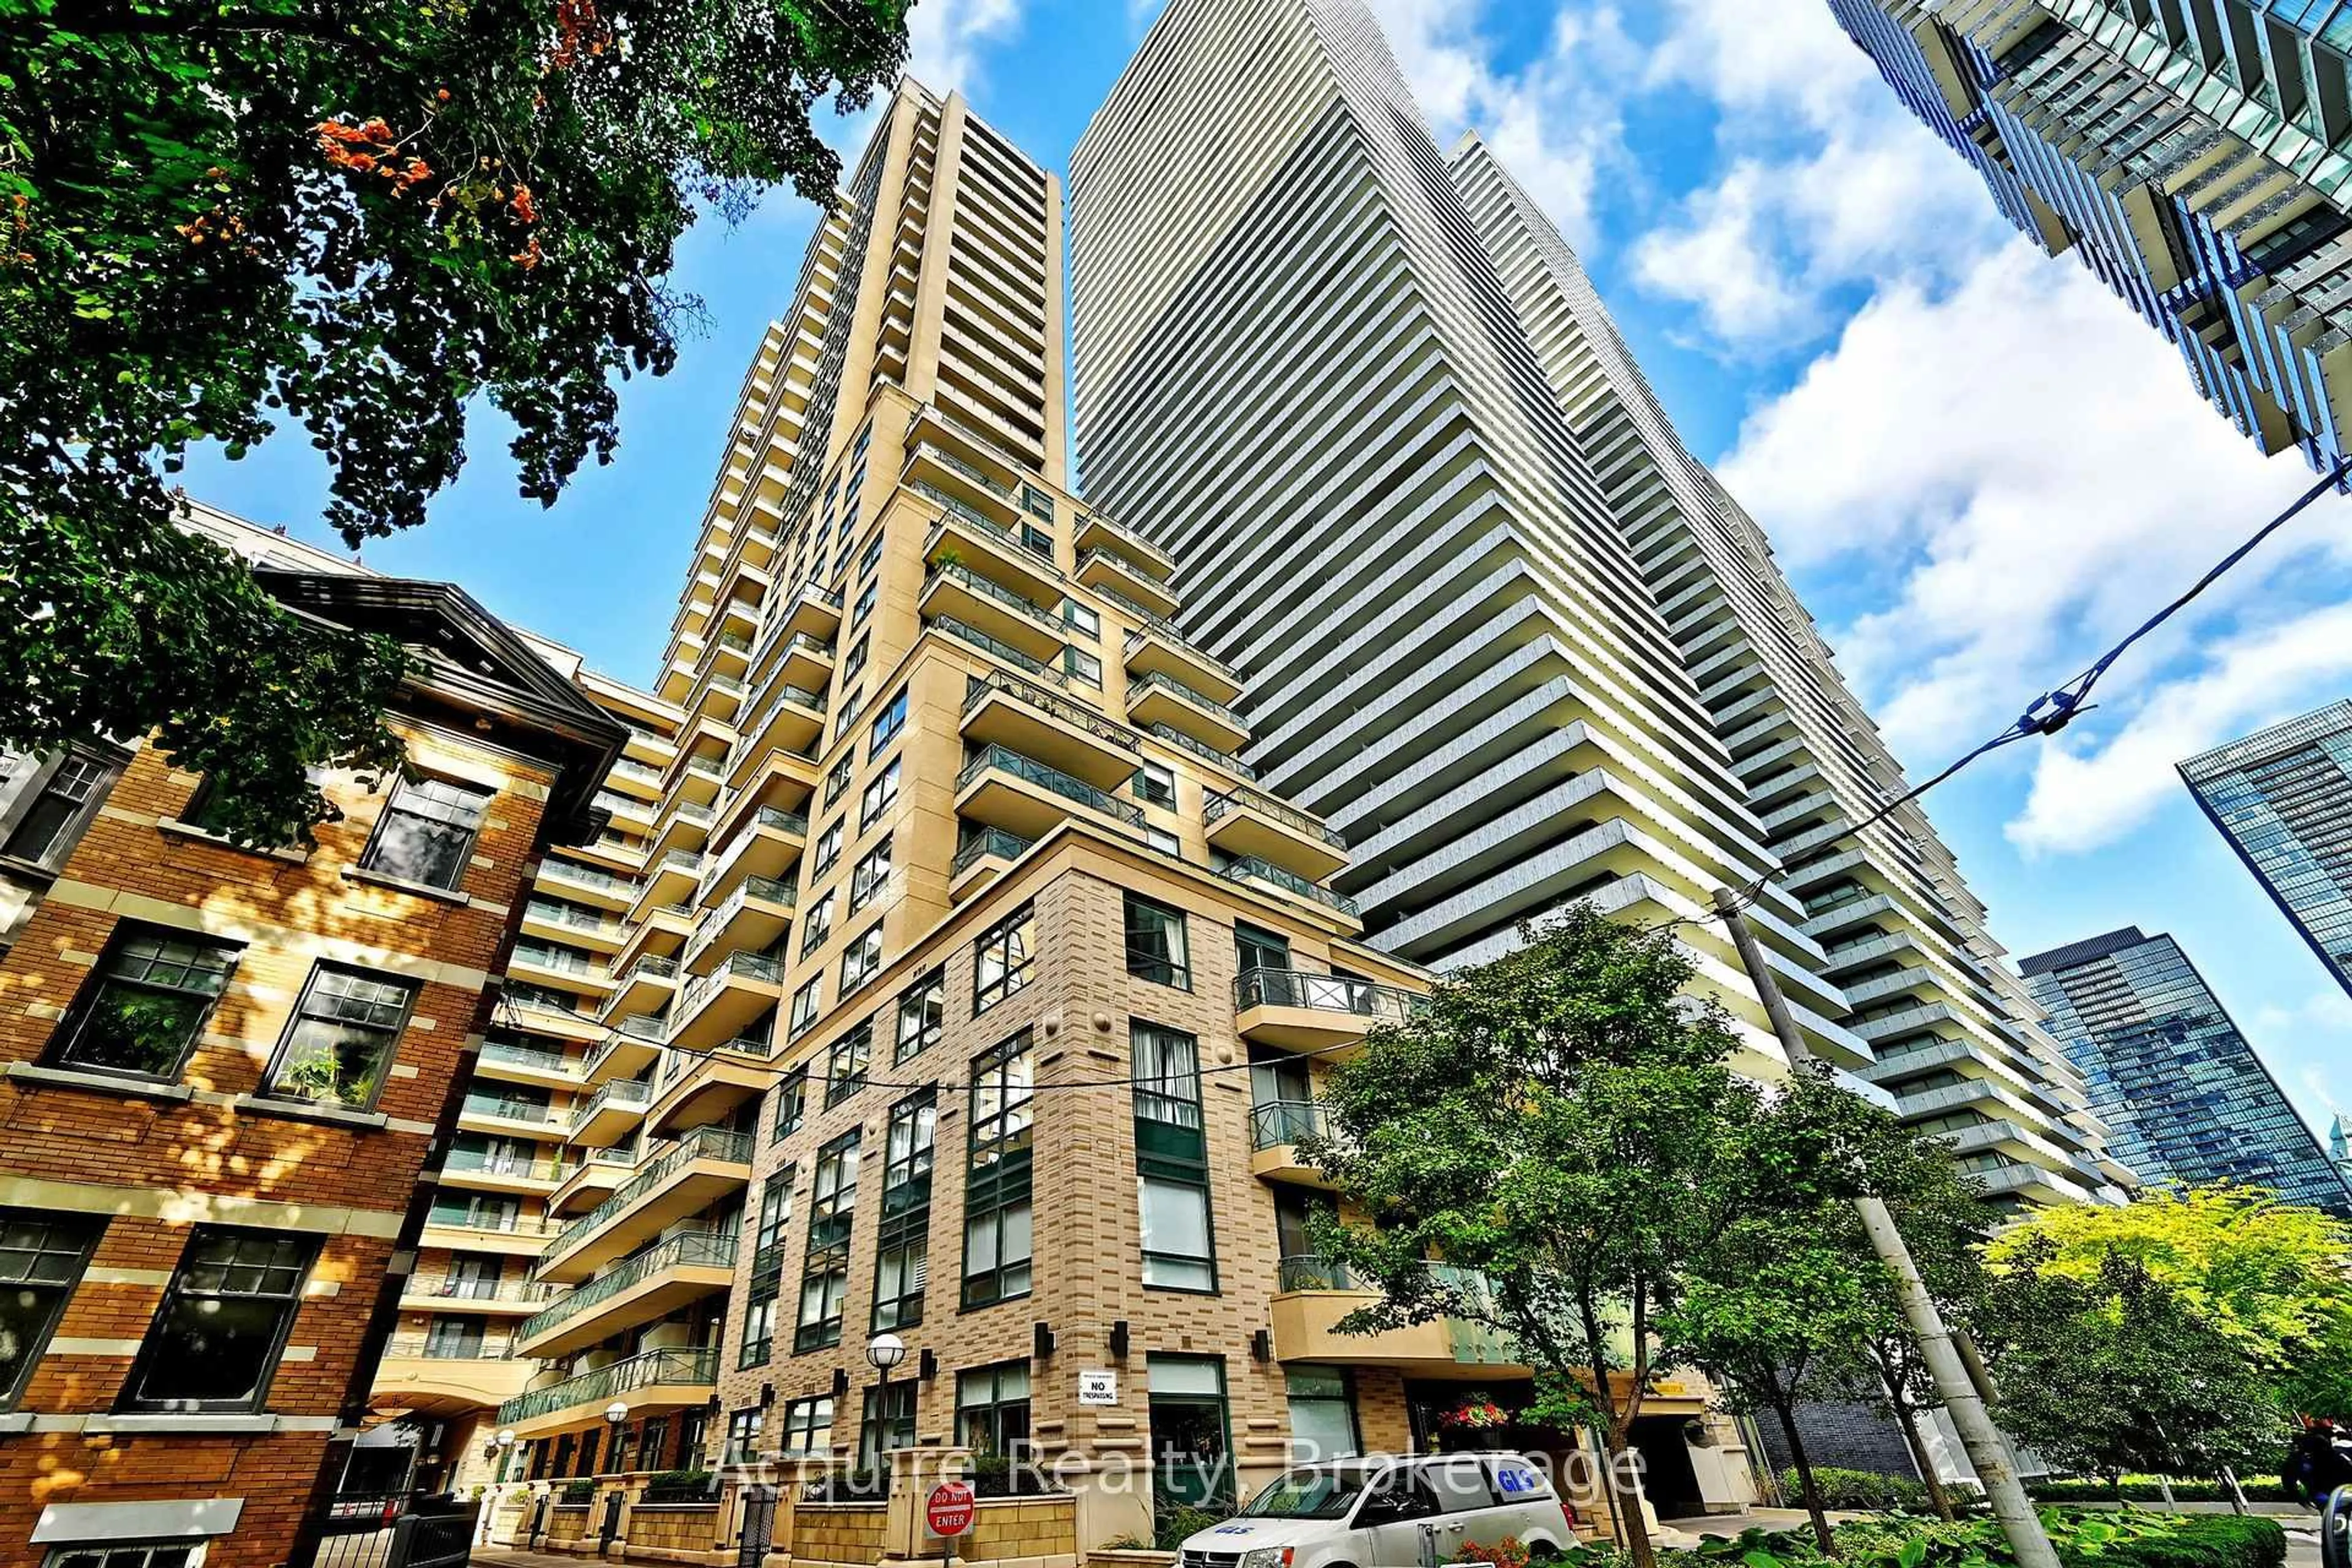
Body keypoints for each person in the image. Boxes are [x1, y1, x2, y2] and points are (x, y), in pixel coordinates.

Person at [2285, 1421, 2352, 1507]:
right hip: (2326, 1493)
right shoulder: (2300, 1460)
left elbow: (2289, 1481)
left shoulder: (2299, 1459)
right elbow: (2289, 1480)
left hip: (2335, 1492)